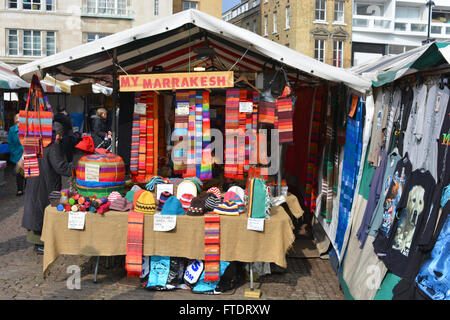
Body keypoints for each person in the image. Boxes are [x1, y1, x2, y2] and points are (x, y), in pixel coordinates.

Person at [21, 121, 74, 255]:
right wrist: (74, 170)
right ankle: (40, 244)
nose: (61, 138)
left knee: (35, 210)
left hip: (34, 182)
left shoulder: (35, 143)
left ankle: (38, 243)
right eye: (60, 135)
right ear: (56, 134)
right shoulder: (53, 146)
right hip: (46, 184)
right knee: (42, 211)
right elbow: (59, 166)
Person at [8, 113, 25, 196]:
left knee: (28, 173)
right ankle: (20, 189)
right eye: (17, 121)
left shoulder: (27, 129)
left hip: (27, 154)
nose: (19, 123)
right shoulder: (12, 130)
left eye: (20, 121)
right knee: (19, 173)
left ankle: (28, 188)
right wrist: (16, 155)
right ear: (15, 121)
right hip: (17, 155)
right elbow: (10, 144)